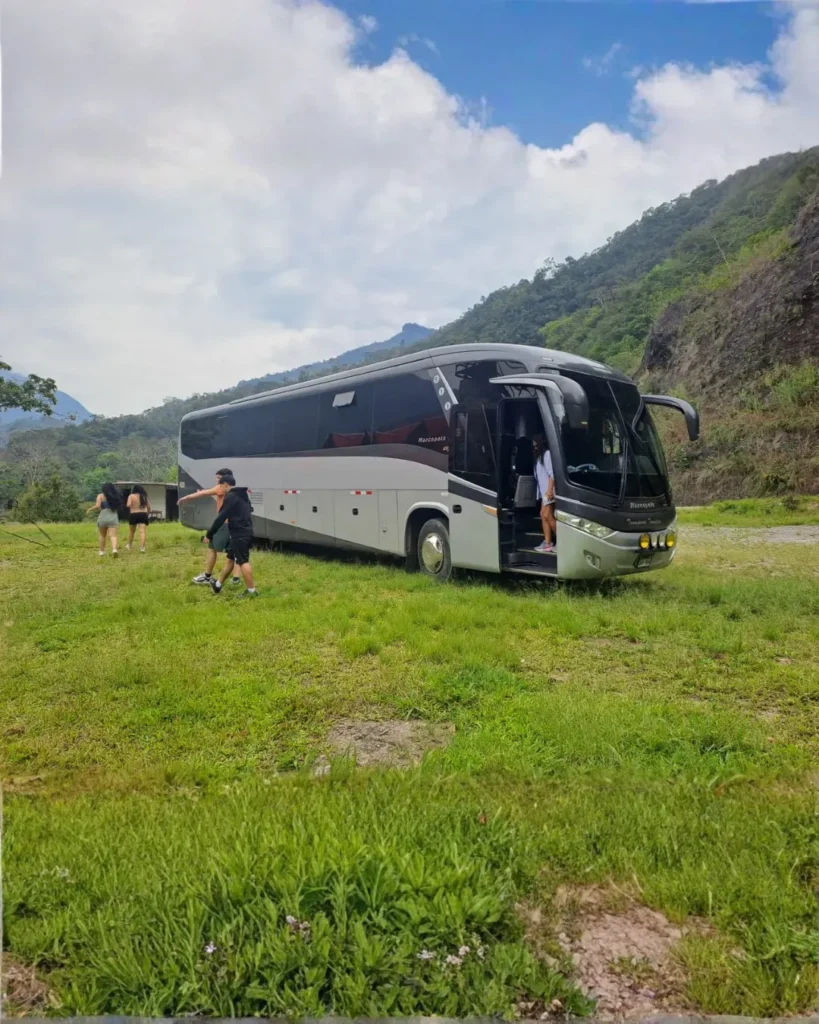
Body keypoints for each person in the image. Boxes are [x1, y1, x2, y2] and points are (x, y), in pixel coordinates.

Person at [177, 467, 241, 585]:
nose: (217, 481)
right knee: (235, 552)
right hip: (236, 524)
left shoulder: (221, 488)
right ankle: (236, 579)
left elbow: (204, 493)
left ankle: (207, 576)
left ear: (225, 480)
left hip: (224, 524)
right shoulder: (235, 489)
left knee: (212, 549)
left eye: (219, 478)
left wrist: (186, 497)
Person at [202, 474, 258, 598]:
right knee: (231, 558)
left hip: (240, 533)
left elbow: (220, 517)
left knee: (243, 561)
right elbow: (249, 510)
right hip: (244, 531)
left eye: (221, 486)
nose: (220, 489)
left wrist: (209, 534)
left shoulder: (231, 497)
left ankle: (252, 592)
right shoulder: (243, 495)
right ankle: (218, 585)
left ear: (225, 484)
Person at [86, 482, 123, 557]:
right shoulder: (116, 496)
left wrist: (90, 509)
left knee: (103, 536)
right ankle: (114, 550)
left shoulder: (100, 495)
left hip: (103, 517)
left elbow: (97, 506)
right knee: (113, 536)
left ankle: (101, 552)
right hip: (113, 517)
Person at [533, 434, 556, 553]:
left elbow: (552, 474)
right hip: (544, 492)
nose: (534, 446)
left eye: (536, 444)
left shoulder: (547, 455)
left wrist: (550, 490)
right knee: (543, 514)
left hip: (549, 492)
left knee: (548, 515)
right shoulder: (540, 457)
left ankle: (562, 542)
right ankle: (547, 543)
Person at [125, 484, 151, 553]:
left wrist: (133, 506)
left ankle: (129, 545)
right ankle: (142, 548)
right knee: (142, 531)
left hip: (134, 514)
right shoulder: (144, 496)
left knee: (132, 531)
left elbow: (128, 505)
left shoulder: (131, 496)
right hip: (143, 514)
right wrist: (147, 513)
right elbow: (149, 507)